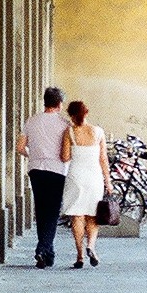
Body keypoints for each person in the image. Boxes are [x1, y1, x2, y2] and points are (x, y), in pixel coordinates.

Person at [16, 86, 69, 269]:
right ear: (60, 104)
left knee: (41, 209)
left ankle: (48, 253)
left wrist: (33, 154)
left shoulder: (31, 121)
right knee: (52, 212)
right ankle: (42, 247)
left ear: (44, 101)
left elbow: (20, 147)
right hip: (57, 170)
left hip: (36, 169)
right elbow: (67, 152)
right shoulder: (65, 124)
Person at [60, 100, 113, 269]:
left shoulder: (69, 132)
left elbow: (65, 157)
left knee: (77, 215)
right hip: (94, 177)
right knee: (92, 216)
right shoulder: (98, 132)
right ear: (86, 113)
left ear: (71, 115)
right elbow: (103, 159)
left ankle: (80, 256)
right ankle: (91, 245)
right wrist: (108, 181)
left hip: (76, 177)